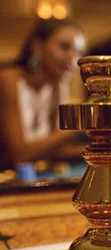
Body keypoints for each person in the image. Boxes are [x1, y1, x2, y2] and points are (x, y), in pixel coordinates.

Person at [0, 18, 86, 169]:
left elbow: (52, 150)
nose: (73, 58)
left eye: (79, 52)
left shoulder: (58, 85)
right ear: (37, 46)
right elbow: (19, 155)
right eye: (64, 47)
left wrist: (103, 151)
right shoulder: (8, 80)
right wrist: (81, 122)